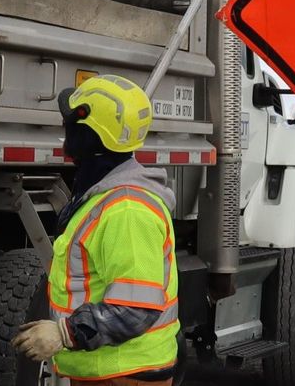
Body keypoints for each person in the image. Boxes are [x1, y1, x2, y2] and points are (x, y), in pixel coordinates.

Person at [11, 75, 180, 385]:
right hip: (110, 370)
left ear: (86, 135)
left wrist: (65, 333)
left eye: (70, 125)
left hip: (124, 375)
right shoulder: (104, 196)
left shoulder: (127, 210)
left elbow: (135, 309)